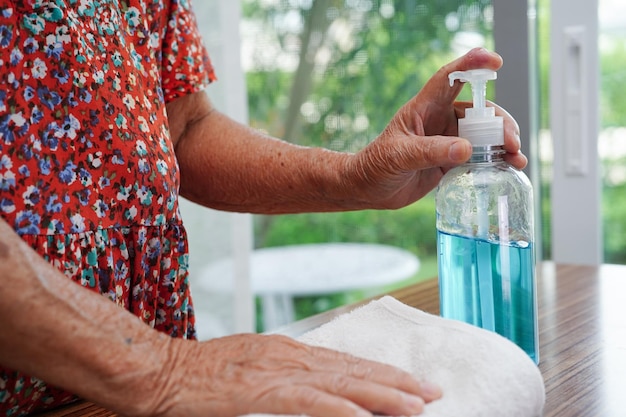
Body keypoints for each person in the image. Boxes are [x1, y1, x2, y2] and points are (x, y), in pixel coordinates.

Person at [0, 2, 526, 416]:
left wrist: (357, 177)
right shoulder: (159, 372)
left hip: (120, 395)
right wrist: (161, 368)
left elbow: (180, 127)